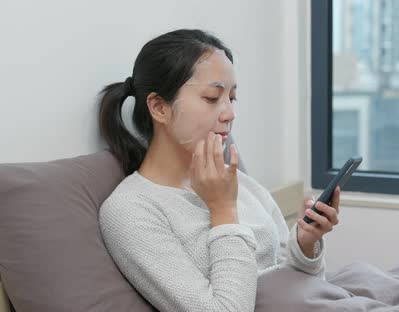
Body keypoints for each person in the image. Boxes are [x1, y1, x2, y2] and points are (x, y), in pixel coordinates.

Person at [97, 29, 341, 312]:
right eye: (213, 98)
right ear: (159, 107)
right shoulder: (131, 211)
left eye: (232, 98)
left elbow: (296, 283)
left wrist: (306, 244)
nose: (229, 113)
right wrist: (222, 211)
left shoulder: (237, 181)